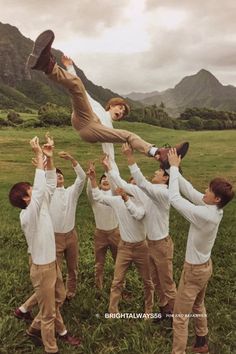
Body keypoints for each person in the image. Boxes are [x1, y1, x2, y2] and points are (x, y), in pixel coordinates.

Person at [26, 29, 189, 170]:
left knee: (128, 135)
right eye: (120, 107)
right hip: (82, 117)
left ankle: (158, 153)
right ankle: (46, 64)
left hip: (91, 128)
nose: (121, 112)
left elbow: (109, 150)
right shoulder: (95, 106)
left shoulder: (108, 126)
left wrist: (110, 169)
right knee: (77, 86)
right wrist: (69, 66)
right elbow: (77, 85)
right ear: (111, 106)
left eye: (123, 112)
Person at [9, 135, 80, 354]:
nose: (33, 189)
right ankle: (52, 346)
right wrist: (38, 157)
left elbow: (47, 185)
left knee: (58, 298)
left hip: (51, 264)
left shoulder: (40, 206)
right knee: (48, 312)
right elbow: (41, 191)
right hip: (42, 268)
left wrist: (49, 160)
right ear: (25, 198)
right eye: (29, 189)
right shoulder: (29, 215)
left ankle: (35, 328)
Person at [167, 148, 234, 354]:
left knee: (179, 318)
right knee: (198, 305)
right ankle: (202, 342)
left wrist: (174, 168)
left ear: (216, 199)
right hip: (205, 268)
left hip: (194, 271)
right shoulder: (215, 209)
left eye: (209, 190)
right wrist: (174, 171)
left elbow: (175, 199)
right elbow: (190, 191)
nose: (205, 191)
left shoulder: (205, 215)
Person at [105, 145, 176, 320]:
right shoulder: (148, 191)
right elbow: (124, 184)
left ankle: (178, 318)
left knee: (167, 283)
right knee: (156, 280)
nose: (155, 173)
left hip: (161, 245)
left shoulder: (163, 193)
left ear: (166, 178)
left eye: (159, 172)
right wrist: (109, 169)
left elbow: (141, 182)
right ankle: (164, 311)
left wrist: (130, 156)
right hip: (150, 244)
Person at [87, 161, 154, 316]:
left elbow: (137, 214)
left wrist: (125, 199)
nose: (134, 188)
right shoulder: (118, 201)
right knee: (117, 281)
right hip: (124, 246)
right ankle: (113, 310)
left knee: (147, 281)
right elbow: (97, 196)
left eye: (137, 186)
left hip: (141, 247)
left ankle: (148, 310)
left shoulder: (145, 205)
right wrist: (92, 179)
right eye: (131, 185)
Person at [50, 151, 86, 300]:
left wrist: (72, 158)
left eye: (60, 173)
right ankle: (57, 294)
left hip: (71, 235)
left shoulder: (71, 192)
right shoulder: (48, 194)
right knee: (55, 270)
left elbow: (82, 178)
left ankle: (70, 291)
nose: (59, 175)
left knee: (73, 267)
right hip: (55, 237)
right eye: (55, 174)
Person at [86, 173, 121, 290]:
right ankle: (98, 285)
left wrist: (110, 172)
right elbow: (90, 191)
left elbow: (116, 185)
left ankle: (119, 285)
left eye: (108, 179)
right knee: (99, 263)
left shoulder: (115, 196)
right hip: (100, 234)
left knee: (119, 261)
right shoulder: (96, 197)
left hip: (115, 233)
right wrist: (91, 178)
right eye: (103, 179)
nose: (105, 180)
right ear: (99, 184)